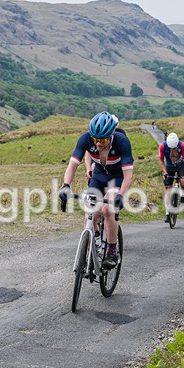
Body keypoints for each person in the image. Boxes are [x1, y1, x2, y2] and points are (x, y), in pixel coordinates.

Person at [59, 111, 134, 269]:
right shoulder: (86, 139)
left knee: (107, 209)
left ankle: (112, 252)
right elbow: (72, 165)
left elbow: (128, 175)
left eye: (103, 140)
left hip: (116, 178)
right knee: (90, 212)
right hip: (99, 177)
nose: (98, 143)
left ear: (111, 135)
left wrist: (121, 195)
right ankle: (96, 243)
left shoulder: (122, 142)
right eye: (95, 139)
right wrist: (66, 185)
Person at [159, 132, 184, 223]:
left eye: (174, 148)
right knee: (168, 189)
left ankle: (183, 196)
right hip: (169, 167)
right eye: (170, 148)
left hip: (180, 166)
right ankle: (167, 213)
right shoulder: (162, 147)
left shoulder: (182, 145)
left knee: (183, 182)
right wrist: (164, 172)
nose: (172, 149)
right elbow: (161, 160)